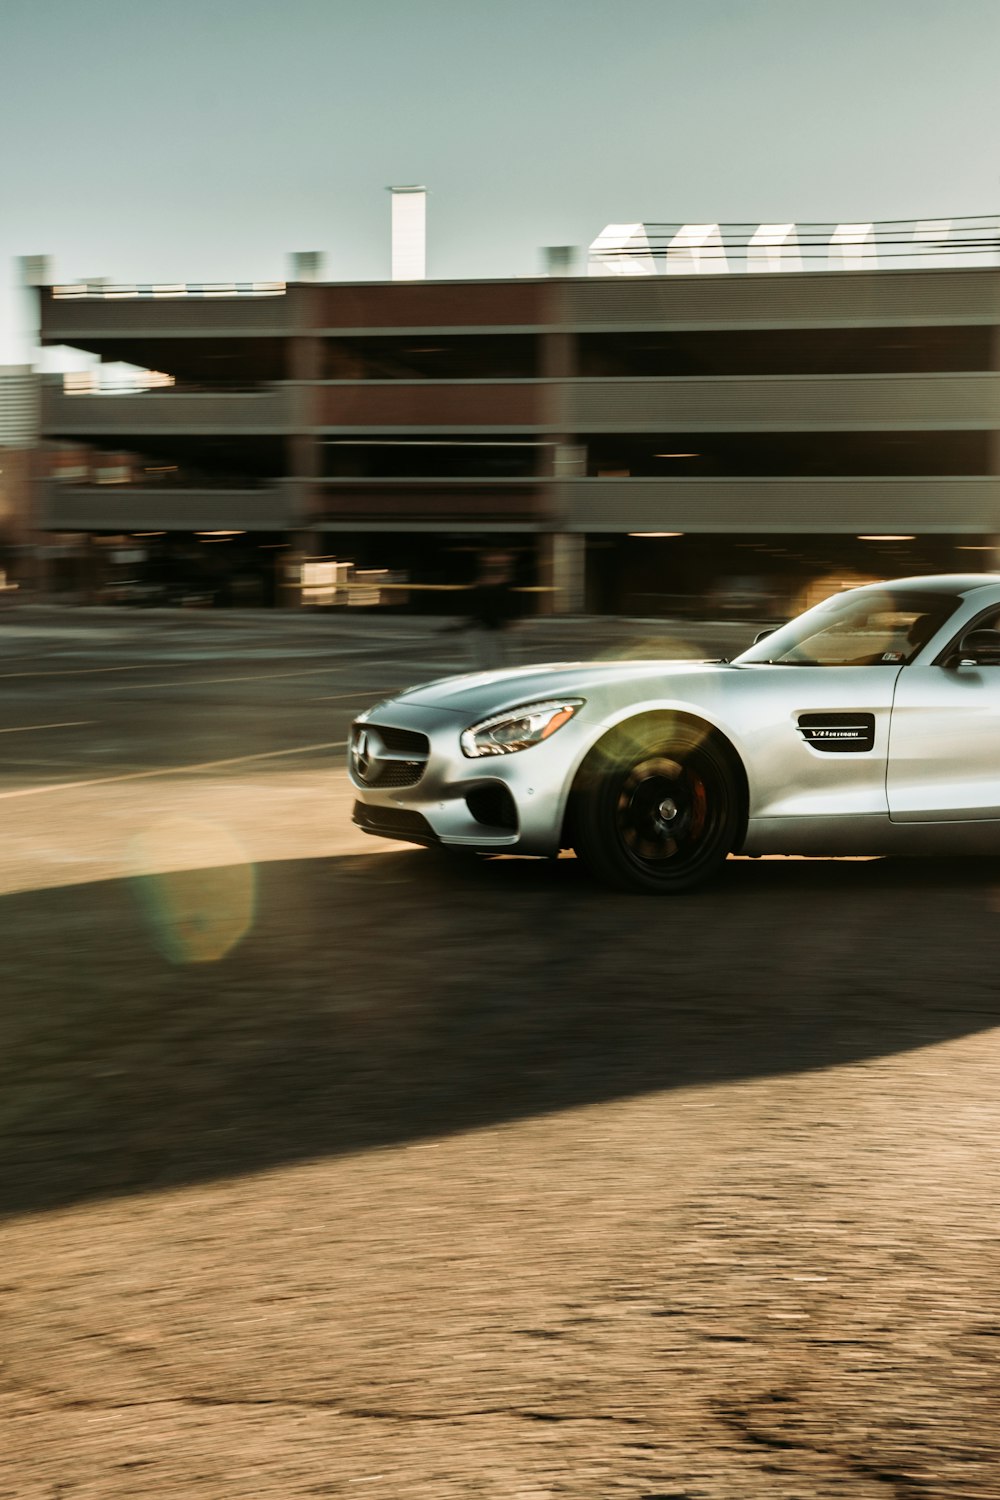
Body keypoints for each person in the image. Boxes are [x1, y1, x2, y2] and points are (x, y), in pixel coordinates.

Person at [464, 550, 520, 670]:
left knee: (501, 659)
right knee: (490, 660)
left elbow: (507, 601)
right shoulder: (487, 582)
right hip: (486, 626)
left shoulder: (501, 582)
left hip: (494, 625)